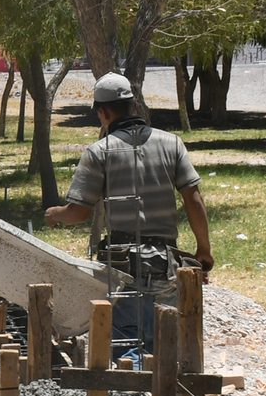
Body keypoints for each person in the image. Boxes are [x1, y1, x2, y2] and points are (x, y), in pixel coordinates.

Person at [43, 72, 212, 359]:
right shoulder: (171, 143)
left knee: (127, 352)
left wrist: (55, 213)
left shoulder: (99, 152)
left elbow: (79, 213)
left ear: (103, 112)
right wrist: (204, 251)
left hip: (124, 269)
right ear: (134, 106)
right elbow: (194, 200)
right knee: (166, 349)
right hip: (165, 265)